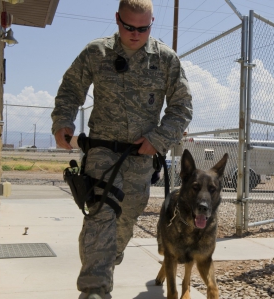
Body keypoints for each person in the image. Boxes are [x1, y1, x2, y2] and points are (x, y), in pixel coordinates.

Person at [51, 0, 192, 298]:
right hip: (102, 150)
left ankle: (106, 260)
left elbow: (182, 107)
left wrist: (159, 138)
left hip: (141, 157)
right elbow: (71, 89)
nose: (135, 33)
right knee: (101, 213)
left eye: (143, 28)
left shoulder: (165, 59)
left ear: (152, 22)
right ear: (117, 19)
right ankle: (94, 288)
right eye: (128, 26)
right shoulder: (96, 52)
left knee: (125, 219)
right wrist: (63, 121)